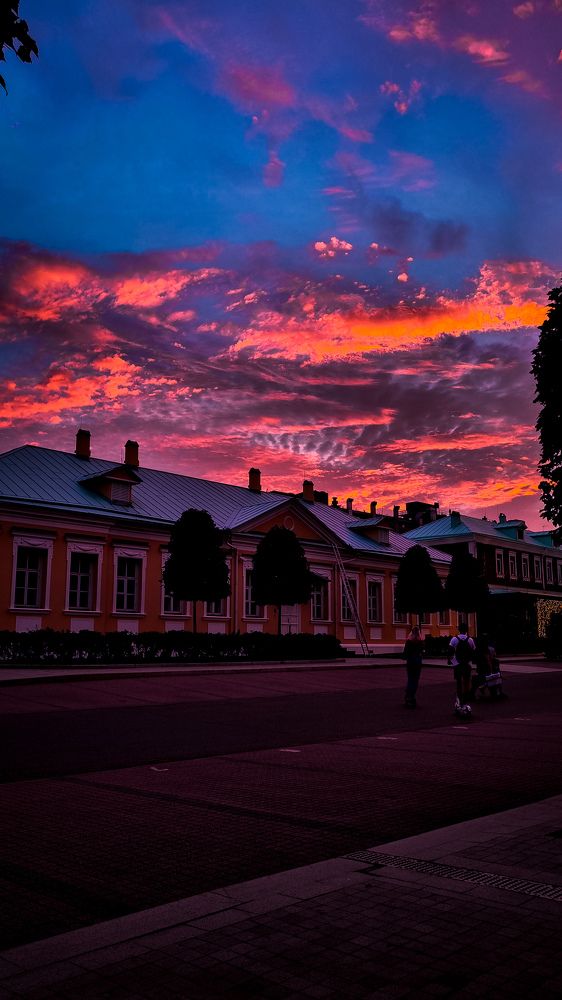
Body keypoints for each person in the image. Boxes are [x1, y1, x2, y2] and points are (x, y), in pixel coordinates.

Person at [448, 622, 475, 715]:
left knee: (459, 683)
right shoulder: (470, 640)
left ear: (459, 629)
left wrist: (453, 662)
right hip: (467, 664)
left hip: (458, 665)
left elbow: (450, 652)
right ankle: (465, 701)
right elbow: (473, 651)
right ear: (466, 630)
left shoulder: (454, 639)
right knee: (467, 683)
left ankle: (459, 702)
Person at [403, 625, 424, 708]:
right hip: (418, 661)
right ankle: (412, 696)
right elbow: (422, 651)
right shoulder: (420, 641)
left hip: (410, 661)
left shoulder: (409, 641)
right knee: (416, 679)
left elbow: (405, 653)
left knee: (410, 678)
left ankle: (408, 696)